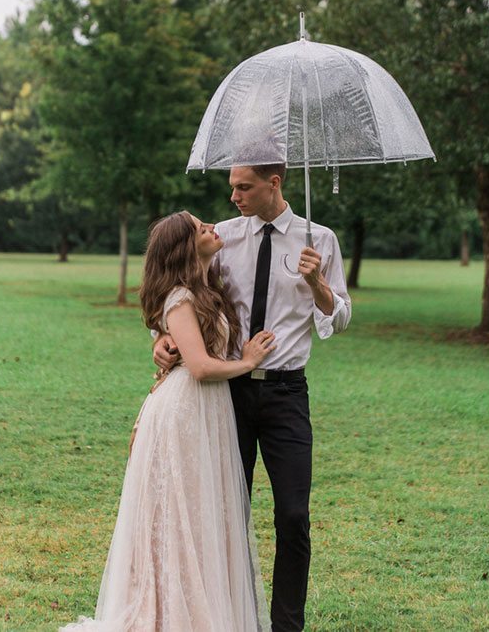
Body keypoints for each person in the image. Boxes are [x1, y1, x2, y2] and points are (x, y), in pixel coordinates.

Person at [154, 165, 351, 632]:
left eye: (243, 187)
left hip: (286, 392)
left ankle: (286, 626)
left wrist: (318, 285)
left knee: (293, 514)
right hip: (226, 394)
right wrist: (161, 339)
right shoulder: (220, 238)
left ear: (275, 183)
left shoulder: (319, 240)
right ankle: (227, 618)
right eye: (232, 188)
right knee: (223, 510)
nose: (234, 197)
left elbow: (339, 318)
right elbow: (180, 293)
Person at [60, 211, 275, 632]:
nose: (213, 227)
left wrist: (162, 342)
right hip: (186, 410)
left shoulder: (207, 288)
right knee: (181, 512)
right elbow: (198, 367)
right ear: (185, 247)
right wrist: (247, 361)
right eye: (201, 228)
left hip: (209, 410)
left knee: (200, 512)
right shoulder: (180, 297)